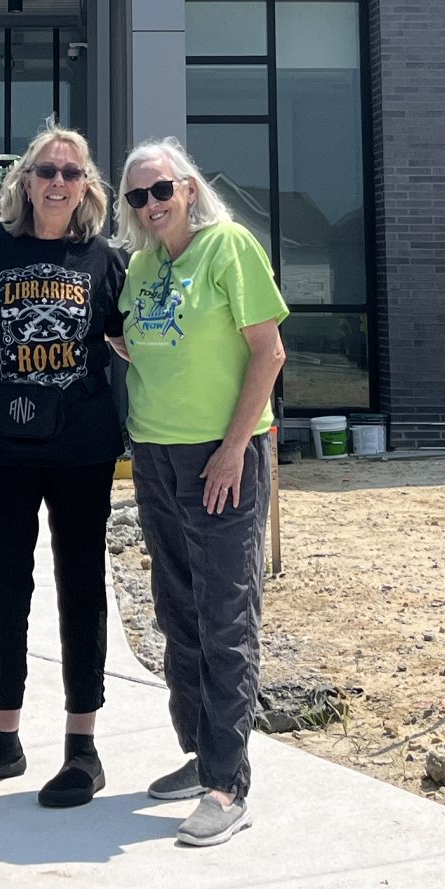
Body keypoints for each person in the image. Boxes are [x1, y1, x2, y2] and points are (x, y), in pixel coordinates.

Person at [0, 124, 129, 808]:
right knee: (5, 588)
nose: (56, 182)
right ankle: (4, 739)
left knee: (81, 586)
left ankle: (82, 747)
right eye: (45, 170)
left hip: (83, 449)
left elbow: (137, 344)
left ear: (86, 188)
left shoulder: (106, 260)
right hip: (6, 447)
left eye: (70, 173)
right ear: (25, 181)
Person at [115, 137, 288, 848]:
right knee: (175, 609)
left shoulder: (230, 247)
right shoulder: (144, 265)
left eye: (161, 190)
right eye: (137, 197)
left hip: (222, 457)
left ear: (188, 188)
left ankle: (227, 782)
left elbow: (268, 351)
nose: (151, 205)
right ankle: (199, 752)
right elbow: (131, 339)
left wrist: (233, 447)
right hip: (155, 455)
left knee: (224, 615)